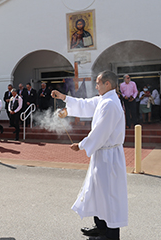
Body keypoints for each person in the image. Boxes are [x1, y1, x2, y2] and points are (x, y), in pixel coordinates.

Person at [51, 70, 128, 240]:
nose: (96, 86)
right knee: (98, 191)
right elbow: (85, 104)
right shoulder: (104, 100)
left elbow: (100, 132)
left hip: (109, 157)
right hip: (102, 154)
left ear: (107, 84)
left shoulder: (110, 104)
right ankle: (100, 227)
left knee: (109, 194)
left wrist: (81, 145)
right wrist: (64, 97)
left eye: (98, 83)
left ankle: (111, 234)